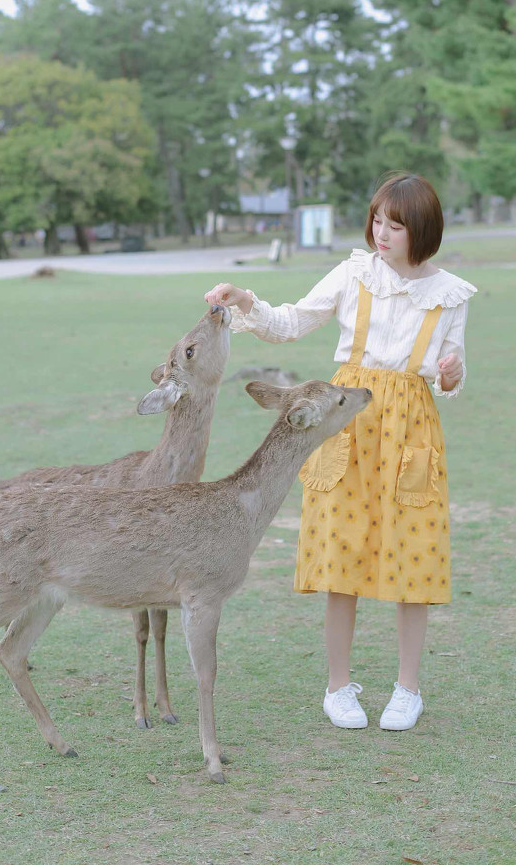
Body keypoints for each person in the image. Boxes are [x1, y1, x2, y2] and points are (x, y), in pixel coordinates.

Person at [204, 172, 476, 732]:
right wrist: (246, 300)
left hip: (411, 431)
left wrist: (451, 372)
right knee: (340, 558)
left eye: (395, 225)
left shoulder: (451, 294)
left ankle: (407, 689)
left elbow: (450, 373)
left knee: (414, 556)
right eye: (377, 220)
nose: (381, 233)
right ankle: (338, 687)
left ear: (422, 229)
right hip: (344, 421)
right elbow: (292, 322)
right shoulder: (354, 273)